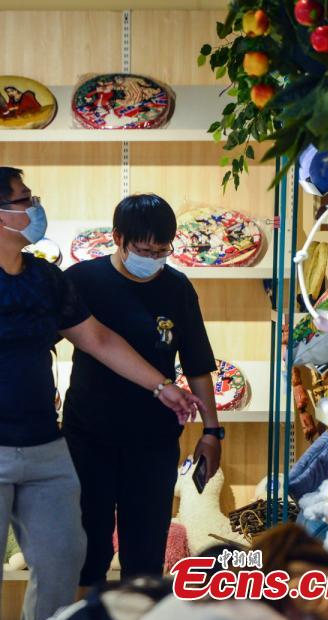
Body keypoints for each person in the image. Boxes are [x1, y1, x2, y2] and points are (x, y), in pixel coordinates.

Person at [0, 167, 205, 620]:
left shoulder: (46, 278)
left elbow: (98, 339)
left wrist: (161, 386)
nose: (35, 207)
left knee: (64, 557)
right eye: (25, 200)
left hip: (46, 446)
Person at [62, 194, 222, 595]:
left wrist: (211, 431)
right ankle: (88, 617)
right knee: (86, 548)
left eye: (162, 250)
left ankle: (139, 616)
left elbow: (197, 363)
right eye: (144, 250)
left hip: (153, 441)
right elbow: (40, 343)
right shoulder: (82, 281)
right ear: (117, 237)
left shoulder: (176, 287)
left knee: (146, 551)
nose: (153, 259)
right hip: (88, 438)